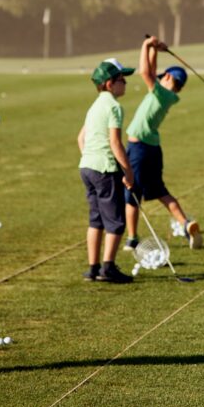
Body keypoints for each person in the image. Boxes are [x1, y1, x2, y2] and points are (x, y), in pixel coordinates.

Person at [123, 36, 202, 250]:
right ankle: (185, 224)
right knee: (161, 192)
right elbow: (152, 69)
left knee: (131, 195)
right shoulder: (169, 96)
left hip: (139, 149)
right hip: (153, 149)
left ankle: (132, 238)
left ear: (167, 77)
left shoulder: (160, 93)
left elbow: (145, 72)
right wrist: (155, 49)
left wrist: (145, 45)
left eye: (162, 77)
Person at [78, 58, 136, 284]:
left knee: (96, 220)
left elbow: (81, 138)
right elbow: (115, 143)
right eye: (122, 80)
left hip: (87, 167)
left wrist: (89, 157)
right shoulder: (113, 106)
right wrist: (128, 171)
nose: (125, 84)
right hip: (104, 168)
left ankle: (92, 268)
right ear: (110, 83)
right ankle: (108, 268)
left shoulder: (94, 106)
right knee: (115, 221)